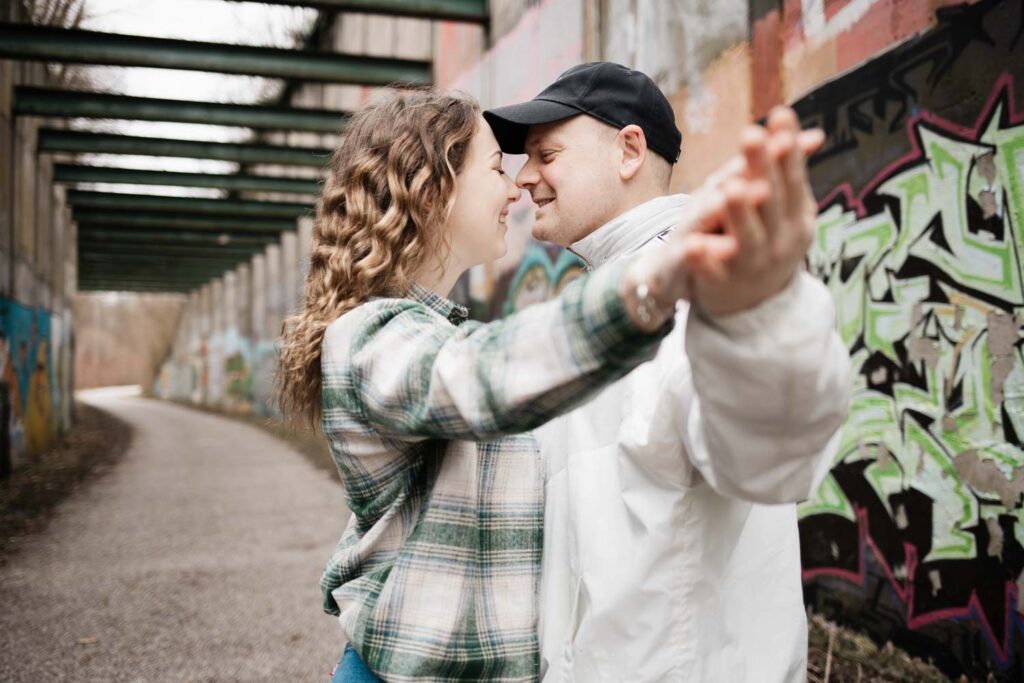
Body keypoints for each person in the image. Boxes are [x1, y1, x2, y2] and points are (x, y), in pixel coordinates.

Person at [276, 88, 787, 681]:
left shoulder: (443, 335)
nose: (518, 186)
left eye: (540, 157)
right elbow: (482, 379)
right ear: (430, 186)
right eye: (498, 167)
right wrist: (645, 291)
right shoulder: (366, 340)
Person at [483, 62, 852, 682]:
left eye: (546, 153)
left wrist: (758, 325)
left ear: (629, 150)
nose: (524, 179)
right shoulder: (604, 302)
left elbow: (768, 454)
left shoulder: (696, 295)